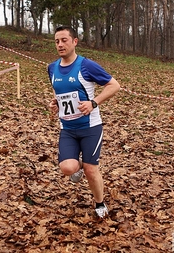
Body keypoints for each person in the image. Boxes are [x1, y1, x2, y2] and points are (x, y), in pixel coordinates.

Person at [48, 26, 121, 219]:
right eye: (57, 41)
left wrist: (93, 103)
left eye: (64, 40)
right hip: (67, 128)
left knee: (91, 169)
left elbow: (114, 85)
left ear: (74, 42)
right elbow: (59, 91)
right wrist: (56, 103)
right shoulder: (52, 68)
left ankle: (99, 202)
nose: (60, 45)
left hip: (90, 127)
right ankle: (80, 165)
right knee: (68, 168)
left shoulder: (86, 65)